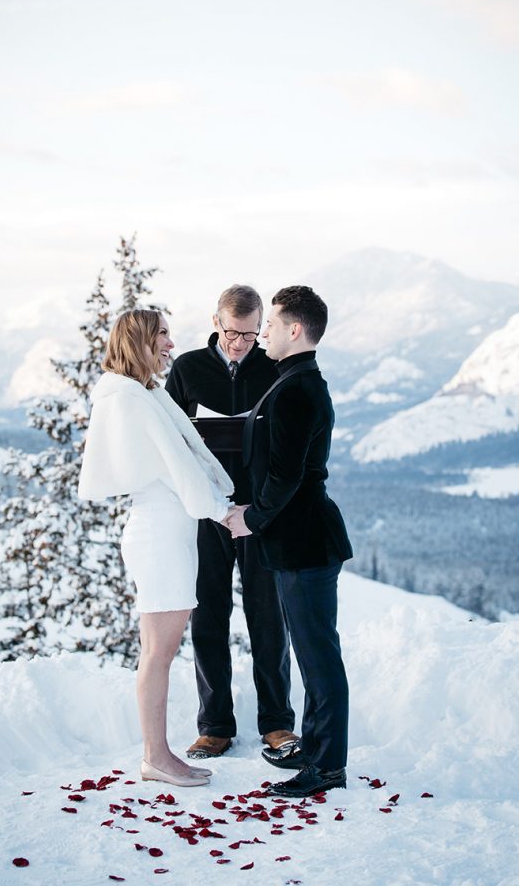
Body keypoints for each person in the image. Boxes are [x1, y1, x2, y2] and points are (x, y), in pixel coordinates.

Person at [78, 309, 234, 788]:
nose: (171, 343)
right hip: (160, 534)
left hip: (167, 530)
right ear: (140, 341)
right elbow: (177, 466)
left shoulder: (142, 393)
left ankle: (158, 754)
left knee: (159, 649)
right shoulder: (131, 400)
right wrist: (221, 511)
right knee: (158, 652)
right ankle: (156, 757)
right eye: (162, 334)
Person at [225, 286, 353, 797]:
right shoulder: (293, 380)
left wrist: (251, 518)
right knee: (311, 652)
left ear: (295, 331)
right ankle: (317, 750)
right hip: (297, 540)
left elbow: (287, 476)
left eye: (272, 327)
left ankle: (328, 767)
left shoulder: (299, 389)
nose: (264, 336)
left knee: (318, 655)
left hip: (305, 542)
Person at [165, 285, 297, 760]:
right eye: (232, 332)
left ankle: (278, 724)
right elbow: (169, 441)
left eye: (250, 333)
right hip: (207, 514)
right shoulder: (187, 371)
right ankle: (215, 726)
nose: (242, 343)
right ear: (215, 322)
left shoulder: (273, 368)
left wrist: (259, 509)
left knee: (268, 617)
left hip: (259, 514)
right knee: (209, 617)